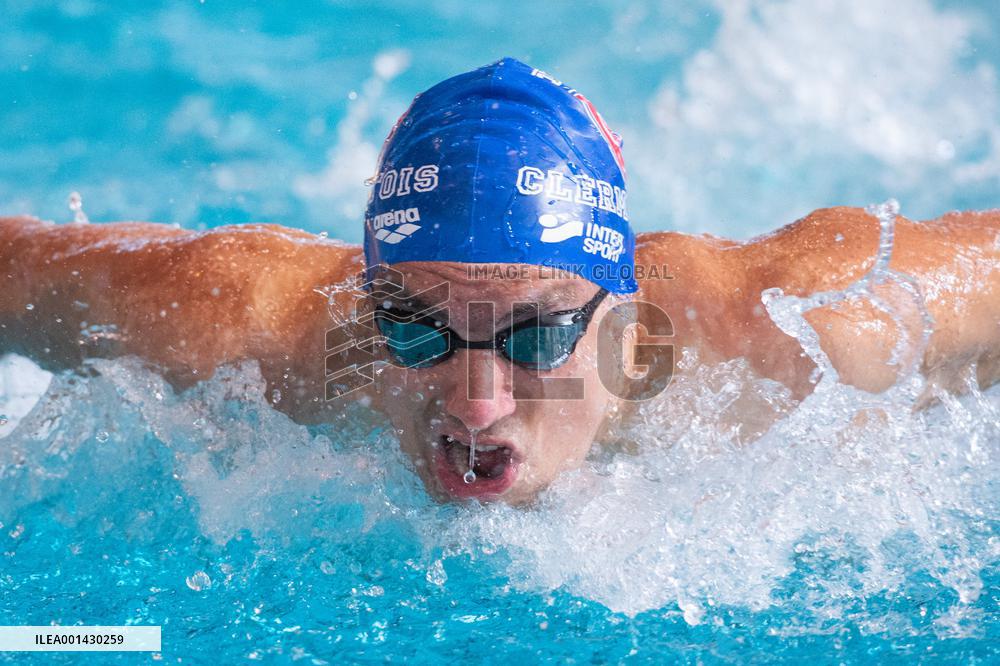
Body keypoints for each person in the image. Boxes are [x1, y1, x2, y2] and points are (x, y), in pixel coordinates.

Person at [1, 58, 997, 505]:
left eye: (534, 337)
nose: (475, 405)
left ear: (623, 310)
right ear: (363, 304)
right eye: (417, 332)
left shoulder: (800, 330)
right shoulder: (230, 325)